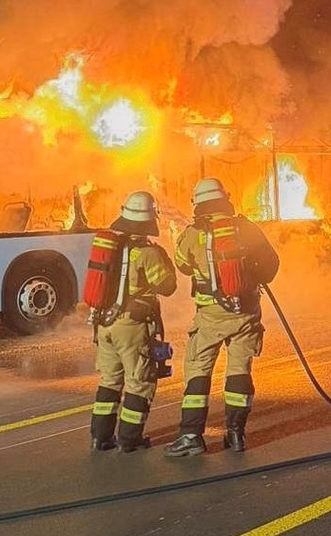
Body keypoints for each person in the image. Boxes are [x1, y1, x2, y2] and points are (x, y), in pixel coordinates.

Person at [165, 176, 280, 456]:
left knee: (198, 371)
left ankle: (191, 436)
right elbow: (271, 264)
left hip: (210, 317)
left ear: (197, 203)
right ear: (225, 199)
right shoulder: (246, 228)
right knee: (240, 371)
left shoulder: (193, 234)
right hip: (246, 314)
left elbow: (182, 265)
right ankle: (236, 434)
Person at [89, 191, 177, 453]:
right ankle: (129, 438)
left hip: (105, 324)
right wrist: (165, 259)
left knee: (109, 380)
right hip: (131, 327)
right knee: (139, 381)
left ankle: (100, 437)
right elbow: (167, 286)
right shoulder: (147, 252)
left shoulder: (111, 248)